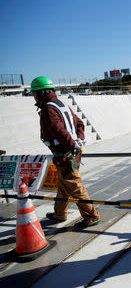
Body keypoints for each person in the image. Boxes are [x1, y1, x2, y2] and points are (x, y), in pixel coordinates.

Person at [31, 76, 100, 229]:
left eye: (34, 93)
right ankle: (59, 214)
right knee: (63, 186)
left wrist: (71, 145)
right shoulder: (61, 104)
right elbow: (79, 123)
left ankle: (92, 217)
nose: (33, 97)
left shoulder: (48, 109)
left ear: (42, 93)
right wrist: (79, 141)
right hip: (71, 154)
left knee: (75, 186)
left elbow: (59, 131)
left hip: (65, 155)